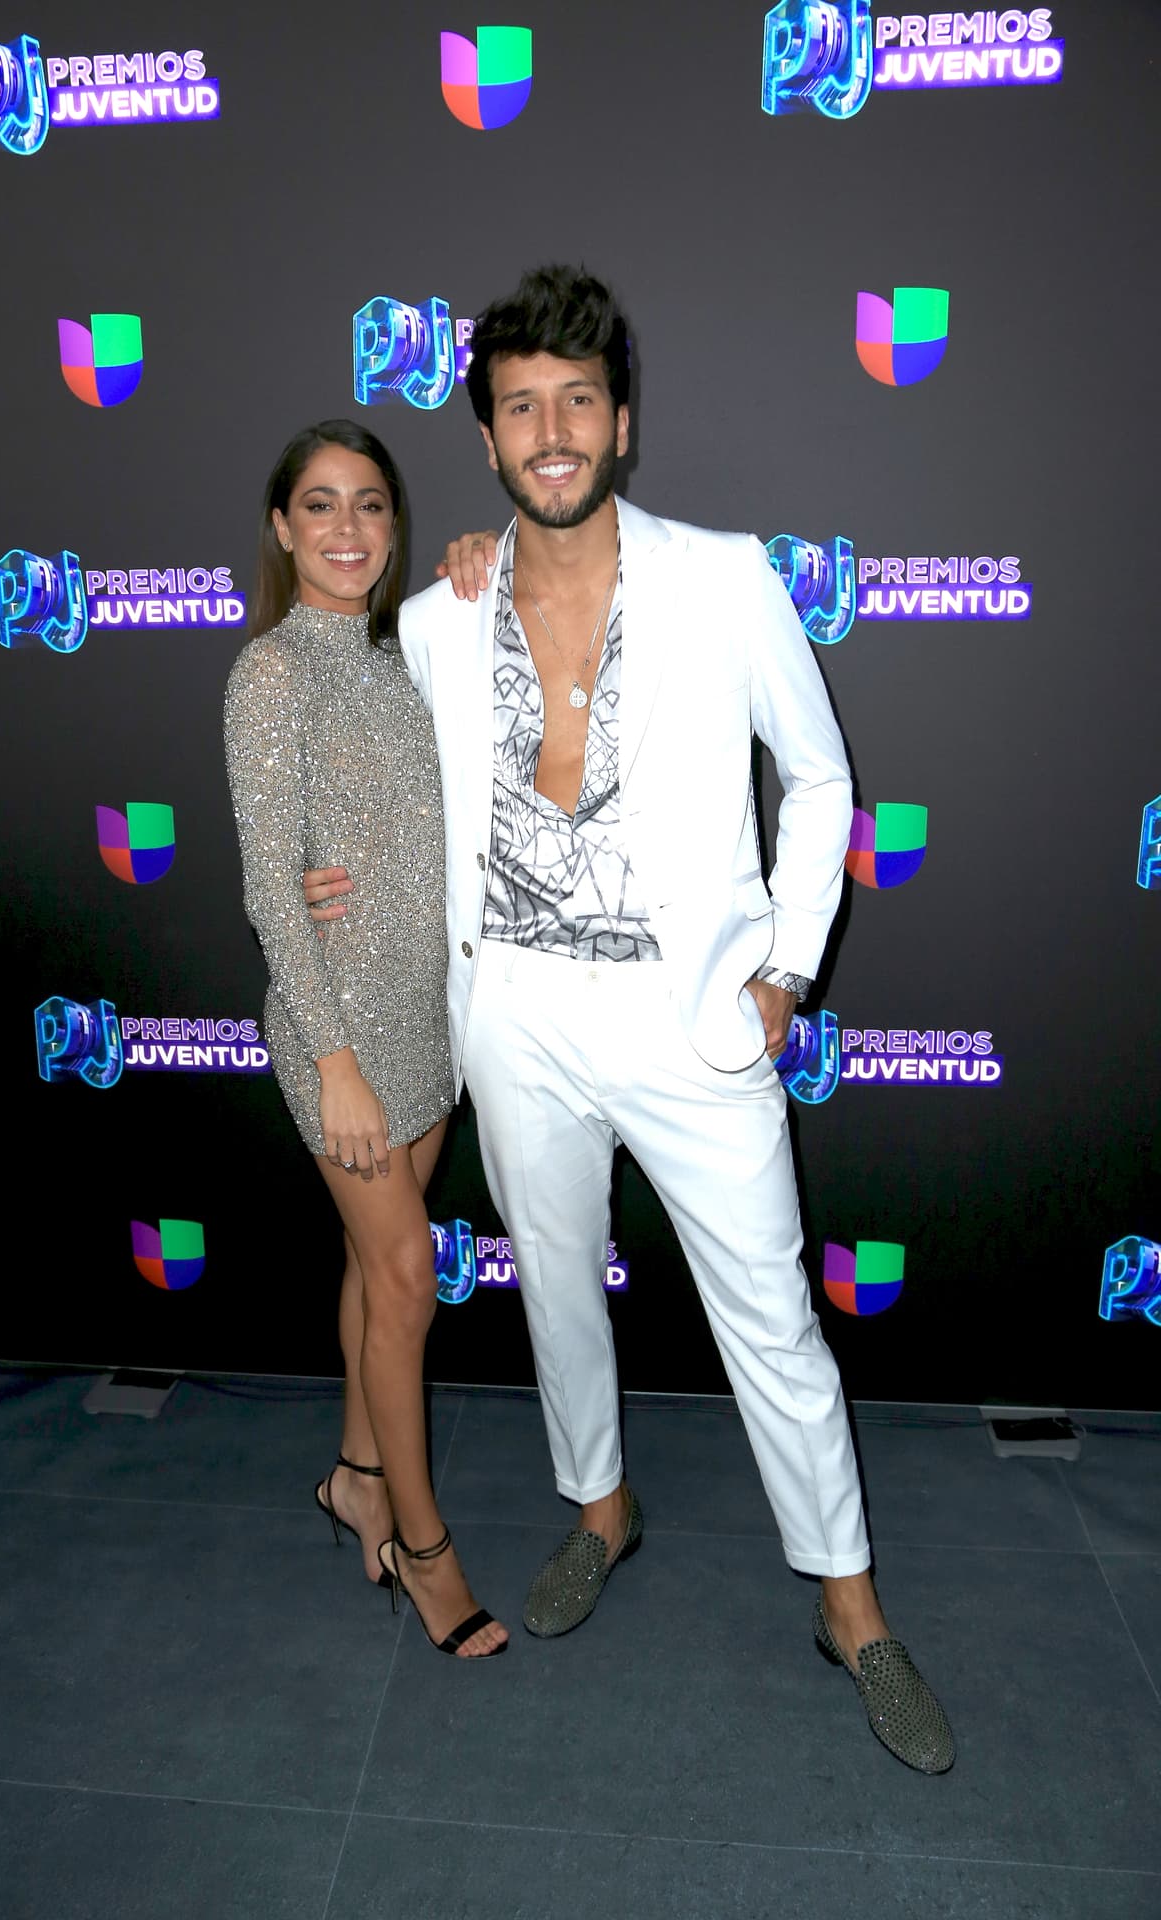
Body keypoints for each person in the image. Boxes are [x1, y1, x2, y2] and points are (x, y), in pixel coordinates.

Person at [304, 269, 952, 1770]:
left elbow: (824, 775)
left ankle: (850, 1606)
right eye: (520, 404)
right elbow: (355, 780)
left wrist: (787, 965)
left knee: (775, 1323)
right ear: (485, 437)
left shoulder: (727, 579)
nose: (551, 430)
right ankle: (600, 1507)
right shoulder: (438, 617)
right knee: (552, 1290)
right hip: (515, 1016)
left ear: (623, 421)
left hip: (694, 1023)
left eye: (576, 401)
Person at [224, 420, 506, 1658]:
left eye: (371, 506)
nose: (348, 530)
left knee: (366, 1268)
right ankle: (424, 1550)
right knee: (403, 1280)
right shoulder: (270, 674)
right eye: (321, 506)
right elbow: (266, 889)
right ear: (283, 528)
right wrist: (332, 1062)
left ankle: (350, 1474)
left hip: (422, 1017)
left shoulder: (402, 660)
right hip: (335, 1029)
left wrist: (473, 579)